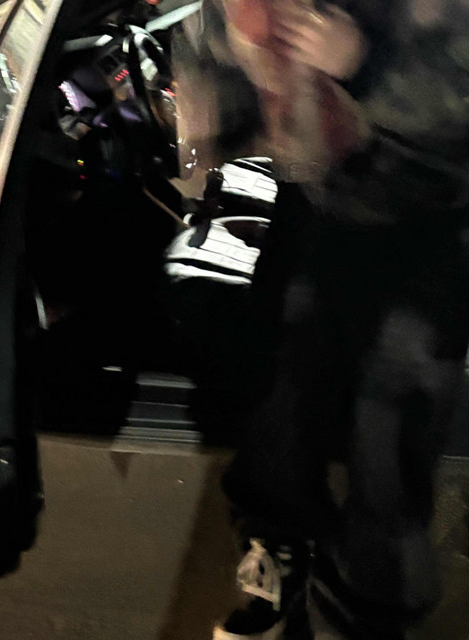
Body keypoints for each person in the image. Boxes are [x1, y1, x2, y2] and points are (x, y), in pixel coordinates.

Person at [172, 0, 469, 638]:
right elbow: (210, 66)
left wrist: (364, 64)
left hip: (428, 224)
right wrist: (214, 117)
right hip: (307, 207)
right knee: (277, 400)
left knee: (387, 439)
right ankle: (278, 552)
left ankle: (373, 609)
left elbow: (457, 103)